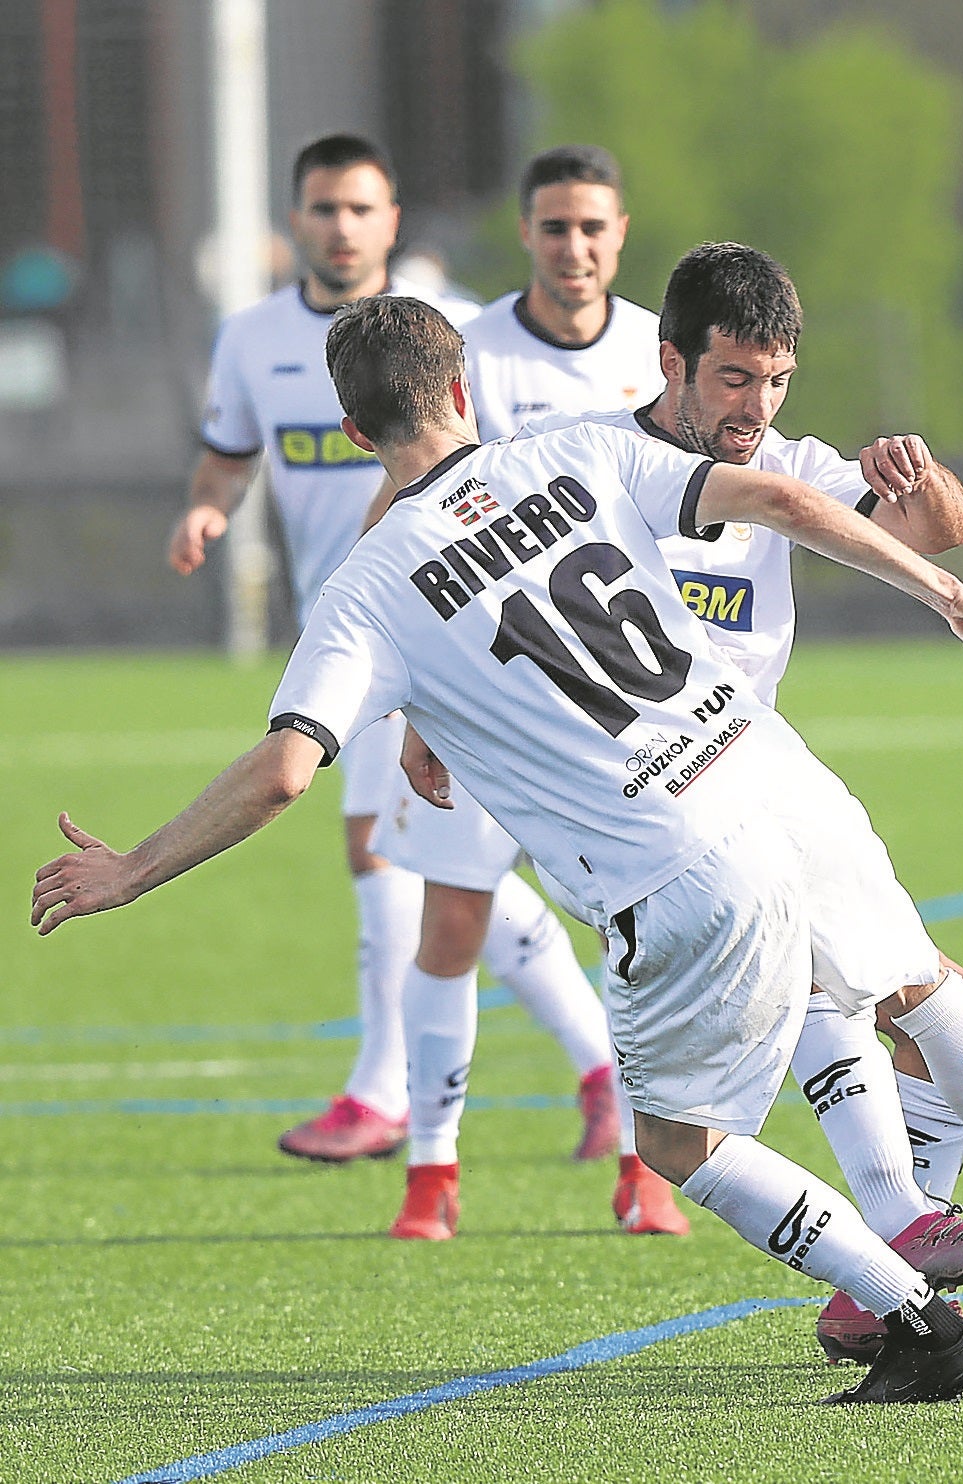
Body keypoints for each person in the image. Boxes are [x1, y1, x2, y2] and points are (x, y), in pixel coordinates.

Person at [33, 295, 963, 1404]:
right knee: (912, 981)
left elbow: (282, 770)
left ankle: (923, 1323)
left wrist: (131, 869)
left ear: (356, 436)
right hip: (770, 774)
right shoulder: (581, 449)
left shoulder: (365, 590)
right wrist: (948, 589)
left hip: (673, 863)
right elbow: (785, 499)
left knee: (677, 1140)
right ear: (462, 388)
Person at [386, 240, 963, 1343]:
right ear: (674, 364)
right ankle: (927, 1227)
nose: (756, 404)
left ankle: (906, 1243)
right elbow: (476, 569)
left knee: (897, 993)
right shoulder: (590, 459)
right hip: (629, 791)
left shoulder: (788, 463)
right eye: (736, 379)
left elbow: (925, 528)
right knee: (868, 995)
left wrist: (923, 485)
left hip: (750, 775)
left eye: (776, 380)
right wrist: (423, 712)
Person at [370, 145, 675, 1236]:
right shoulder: (473, 357)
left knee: (641, 930)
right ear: (527, 233)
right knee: (451, 920)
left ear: (621, 232)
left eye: (593, 228)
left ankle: (647, 1169)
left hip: (621, 704)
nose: (575, 248)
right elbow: (400, 515)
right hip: (488, 699)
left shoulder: (660, 350)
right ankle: (432, 1174)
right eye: (555, 228)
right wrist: (407, 699)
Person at [169, 134, 479, 1164]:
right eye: (322, 208)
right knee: (456, 861)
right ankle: (587, 1066)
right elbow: (225, 460)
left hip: (432, 621)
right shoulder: (252, 338)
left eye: (360, 208)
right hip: (346, 628)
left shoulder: (450, 332)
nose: (340, 226)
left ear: (391, 220)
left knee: (390, 850)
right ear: (294, 221)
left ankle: (381, 1091)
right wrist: (208, 514)